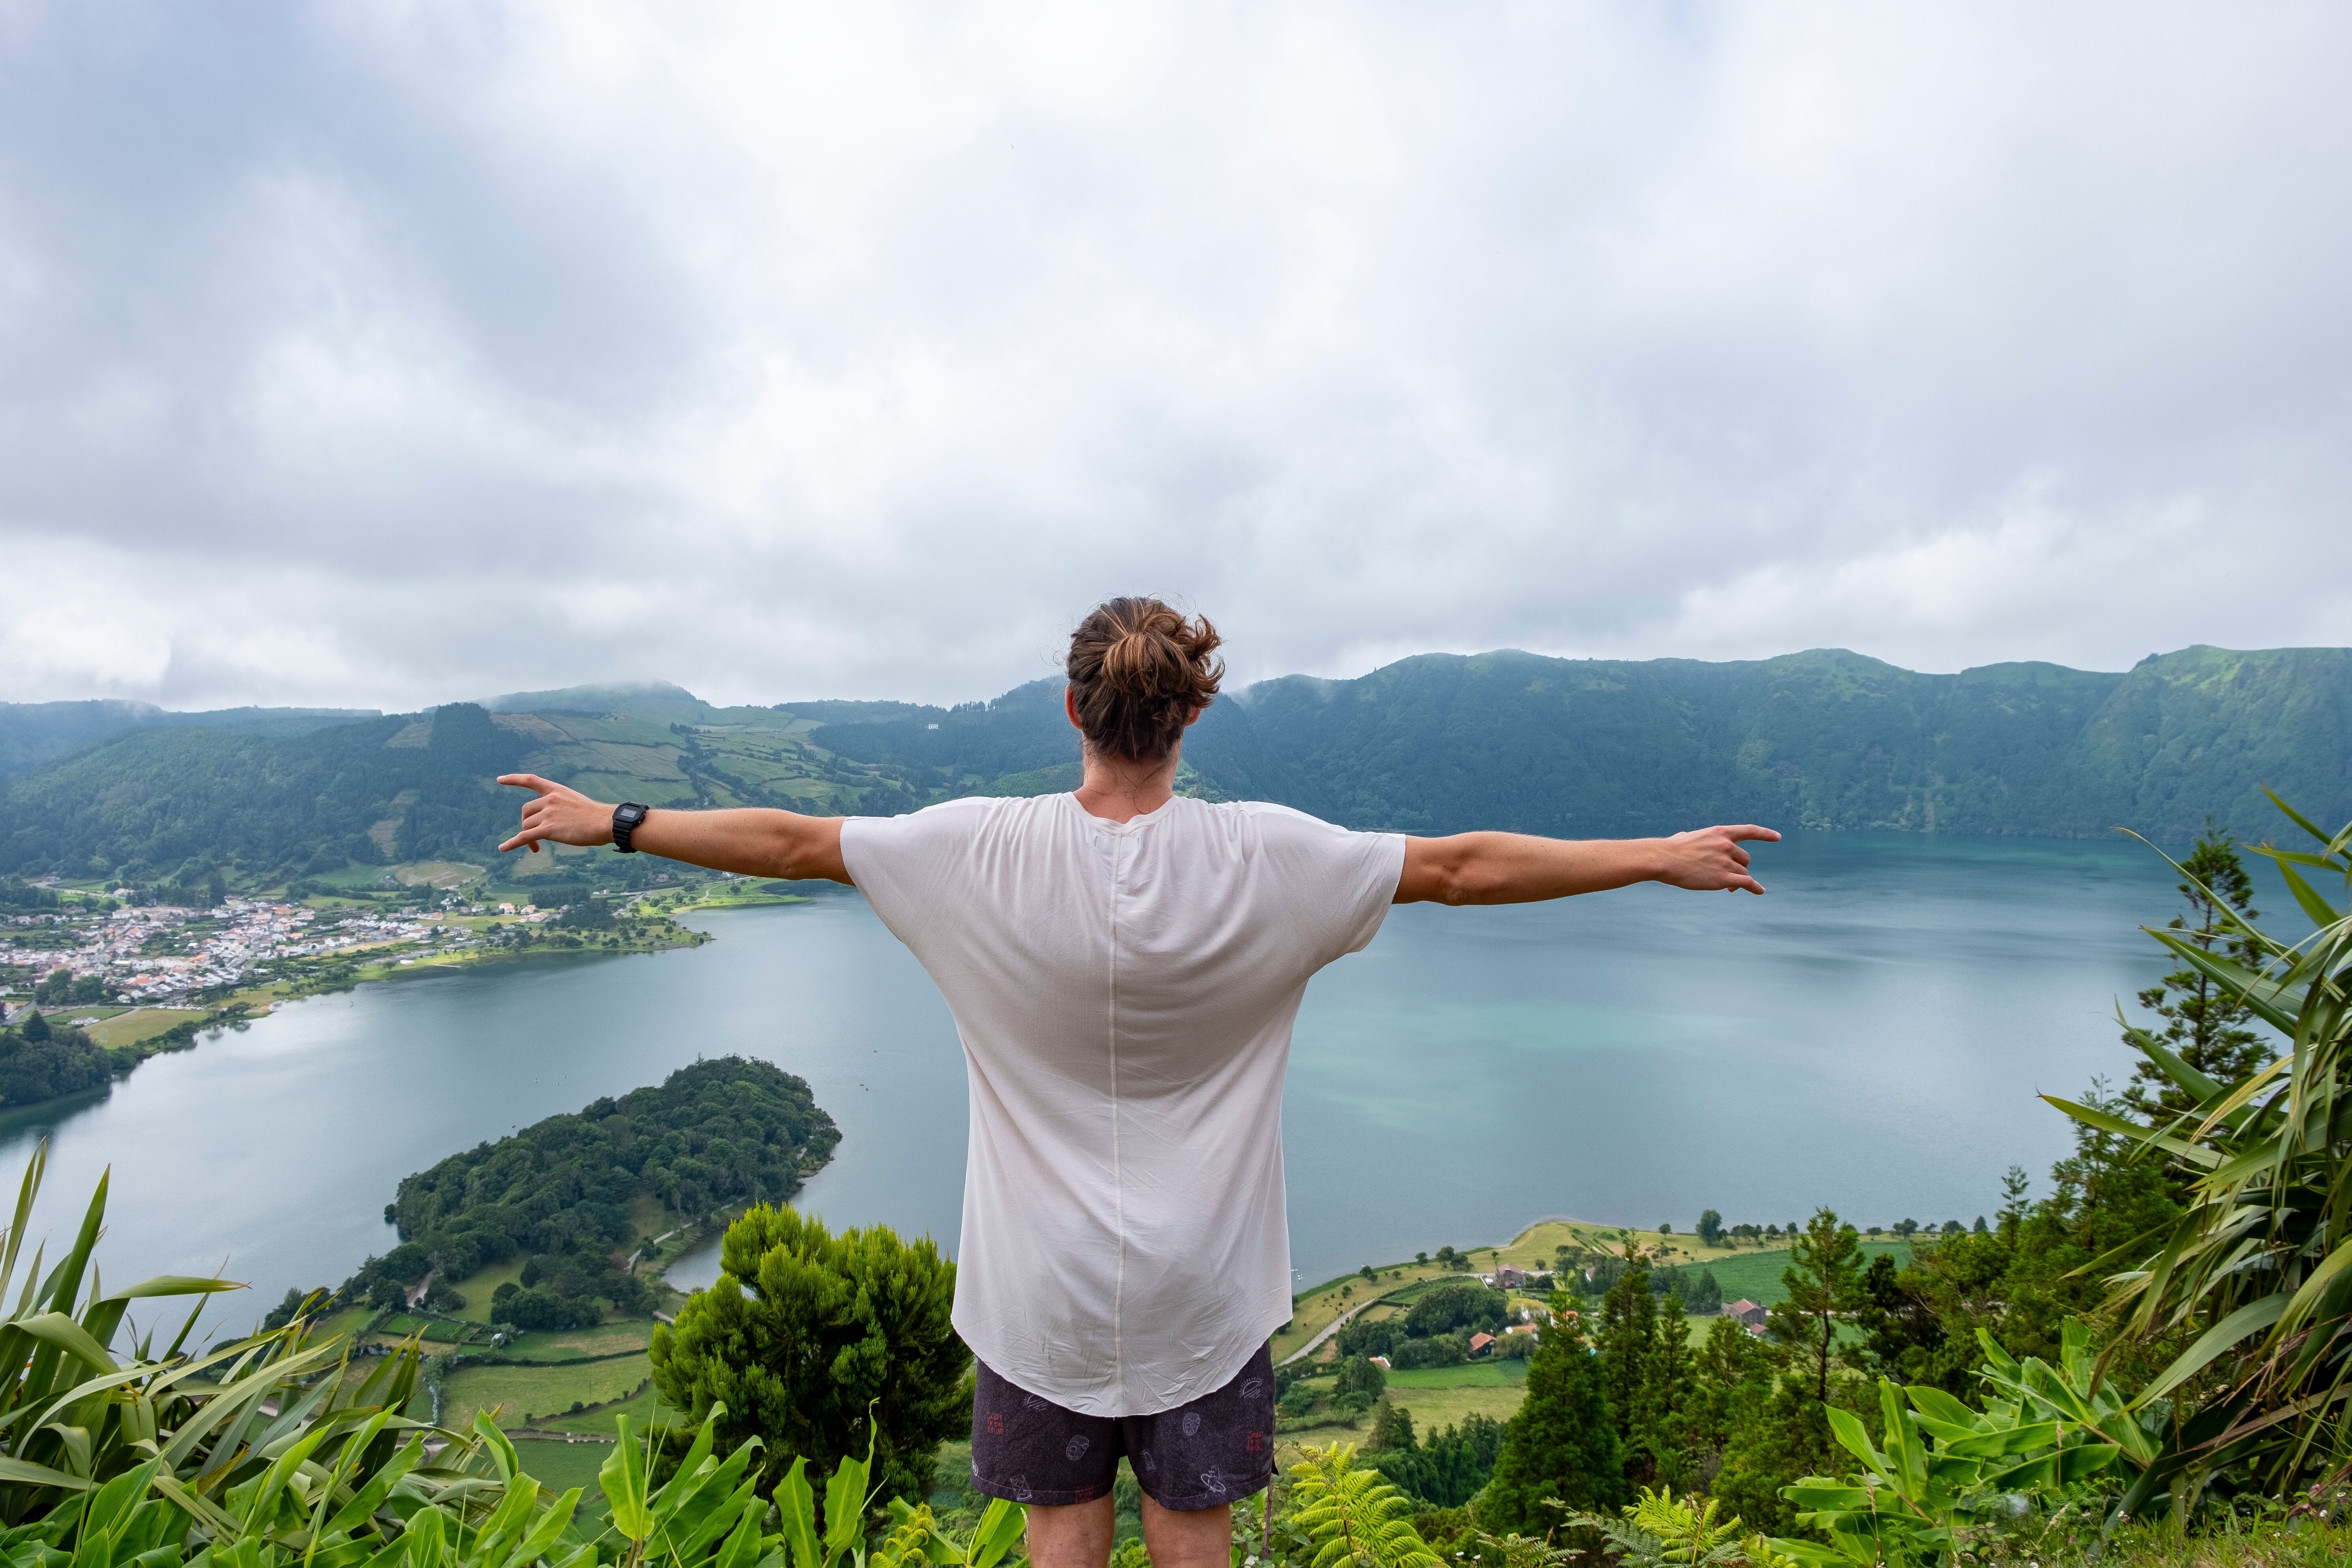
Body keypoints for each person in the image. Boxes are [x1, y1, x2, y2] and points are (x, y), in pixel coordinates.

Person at [498, 597, 1776, 1568]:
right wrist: (1655, 854)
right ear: (1191, 716)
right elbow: (1456, 866)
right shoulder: (1272, 858)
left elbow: (784, 843)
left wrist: (611, 819)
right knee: (1194, 1533)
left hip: (1034, 1291)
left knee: (1060, 1539)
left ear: (1071, 712)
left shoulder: (969, 850)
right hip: (1205, 1295)